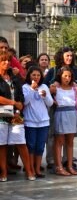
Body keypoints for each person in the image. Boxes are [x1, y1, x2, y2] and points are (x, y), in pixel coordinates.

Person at [0, 51, 35, 181]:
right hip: (1, 115)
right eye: (3, 60)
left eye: (8, 60)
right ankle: (3, 173)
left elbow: (20, 95)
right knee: (2, 145)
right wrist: (13, 102)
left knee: (21, 142)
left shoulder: (14, 78)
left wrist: (19, 104)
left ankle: (30, 171)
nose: (7, 63)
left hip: (16, 114)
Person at [50, 67, 77, 176]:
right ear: (60, 76)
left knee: (70, 142)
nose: (67, 78)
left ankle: (69, 166)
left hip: (72, 113)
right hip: (60, 113)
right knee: (59, 141)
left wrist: (76, 101)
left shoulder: (74, 87)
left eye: (69, 76)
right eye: (65, 76)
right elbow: (46, 94)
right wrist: (53, 101)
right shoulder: (56, 87)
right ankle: (59, 166)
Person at [22, 65, 53, 178]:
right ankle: (30, 169)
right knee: (31, 146)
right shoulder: (25, 87)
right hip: (30, 121)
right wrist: (32, 89)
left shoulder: (44, 86)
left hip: (43, 121)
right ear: (29, 76)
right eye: (33, 75)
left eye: (38, 75)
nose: (36, 77)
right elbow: (25, 102)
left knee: (40, 147)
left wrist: (45, 96)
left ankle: (37, 169)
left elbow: (50, 103)